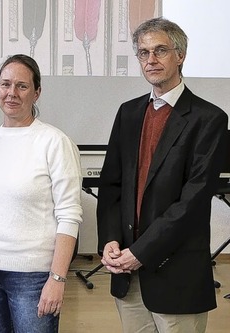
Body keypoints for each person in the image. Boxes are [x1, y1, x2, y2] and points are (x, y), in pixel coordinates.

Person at [97, 17, 228, 333]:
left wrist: (139, 253)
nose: (151, 60)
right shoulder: (129, 113)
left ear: (180, 55)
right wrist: (111, 240)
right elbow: (111, 185)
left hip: (176, 274)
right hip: (127, 276)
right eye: (143, 53)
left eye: (160, 51)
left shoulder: (209, 119)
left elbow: (193, 201)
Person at [0, 54, 83, 333]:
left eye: (22, 86)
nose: (12, 93)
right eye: (5, 84)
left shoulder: (54, 142)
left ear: (37, 92)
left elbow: (69, 215)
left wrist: (57, 278)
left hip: (32, 278)